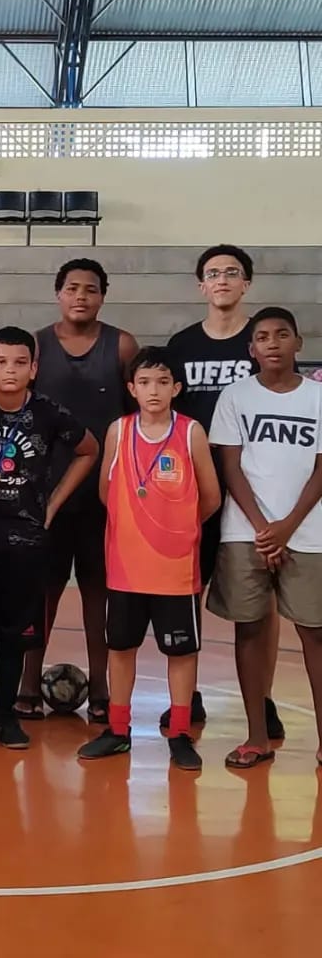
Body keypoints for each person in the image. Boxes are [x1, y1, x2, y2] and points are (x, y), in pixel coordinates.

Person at [0, 328, 97, 750]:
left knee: (15, 632)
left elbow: (89, 449)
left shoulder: (49, 412)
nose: (10, 370)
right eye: (1, 362)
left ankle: (4, 716)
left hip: (27, 541)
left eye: (20, 362)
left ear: (33, 368)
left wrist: (51, 505)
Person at [78, 348, 220, 770]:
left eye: (162, 382)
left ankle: (179, 733)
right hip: (125, 567)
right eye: (144, 382)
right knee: (121, 648)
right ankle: (118, 731)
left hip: (175, 570)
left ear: (176, 388)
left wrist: (172, 529)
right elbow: (107, 492)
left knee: (180, 653)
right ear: (131, 389)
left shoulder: (190, 432)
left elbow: (210, 497)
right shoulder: (118, 432)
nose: (153, 391)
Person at [166, 244, 284, 738]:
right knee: (188, 591)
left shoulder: (260, 343)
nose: (222, 280)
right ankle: (185, 693)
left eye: (232, 273)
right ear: (201, 286)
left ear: (246, 284)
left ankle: (263, 698)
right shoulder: (181, 345)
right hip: (195, 490)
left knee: (258, 600)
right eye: (213, 273)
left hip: (253, 491)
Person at [17, 259, 139, 722]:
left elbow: (133, 418)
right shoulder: (38, 347)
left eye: (91, 289)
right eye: (72, 288)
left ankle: (102, 687)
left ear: (103, 295)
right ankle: (28, 683)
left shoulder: (121, 344)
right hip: (46, 493)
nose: (81, 296)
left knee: (97, 592)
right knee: (42, 591)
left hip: (104, 493)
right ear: (58, 293)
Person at [205, 308, 322, 769]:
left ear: (299, 343)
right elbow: (231, 466)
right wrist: (262, 528)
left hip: (308, 532)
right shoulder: (235, 396)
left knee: (314, 633)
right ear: (251, 349)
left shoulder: (317, 398)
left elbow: (320, 468)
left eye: (281, 335)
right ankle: (257, 736)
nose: (272, 343)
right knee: (250, 629)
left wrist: (288, 526)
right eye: (262, 337)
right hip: (244, 533)